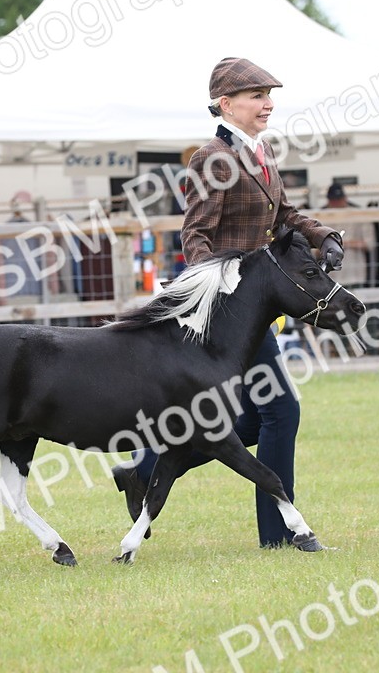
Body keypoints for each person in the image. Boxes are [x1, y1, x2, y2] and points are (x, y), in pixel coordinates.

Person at [112, 57, 344, 550]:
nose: (269, 103)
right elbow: (194, 234)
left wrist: (324, 235)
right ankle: (278, 534)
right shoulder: (211, 159)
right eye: (257, 95)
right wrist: (219, 287)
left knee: (259, 418)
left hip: (258, 309)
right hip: (230, 310)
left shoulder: (262, 152)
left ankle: (145, 467)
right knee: (281, 411)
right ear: (226, 103)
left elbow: (284, 216)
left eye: (269, 94)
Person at [323, 182, 376, 288]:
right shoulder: (321, 217)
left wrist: (341, 244)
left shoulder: (360, 215)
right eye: (333, 200)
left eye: (339, 199)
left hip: (355, 274)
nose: (336, 203)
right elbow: (313, 250)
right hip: (330, 276)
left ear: (345, 198)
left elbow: (370, 244)